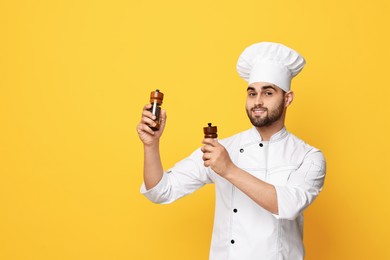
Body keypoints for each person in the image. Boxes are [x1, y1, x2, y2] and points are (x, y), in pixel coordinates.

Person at [136, 42, 326, 260]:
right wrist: (151, 146)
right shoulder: (224, 149)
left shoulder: (308, 156)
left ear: (288, 98)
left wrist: (228, 169)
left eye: (268, 93)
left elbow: (289, 205)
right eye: (252, 93)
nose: (258, 101)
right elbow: (161, 191)